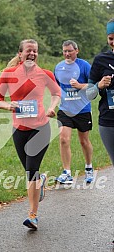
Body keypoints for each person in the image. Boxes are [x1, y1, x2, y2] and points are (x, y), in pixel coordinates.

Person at [0, 39, 61, 230]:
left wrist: (51, 108)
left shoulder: (45, 74)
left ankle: (33, 215)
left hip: (41, 128)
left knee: (31, 172)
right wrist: (8, 105)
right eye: (29, 51)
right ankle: (41, 180)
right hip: (19, 130)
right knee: (31, 173)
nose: (32, 54)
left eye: (35, 51)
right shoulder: (8, 74)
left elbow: (57, 93)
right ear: (20, 53)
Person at [54, 40, 94, 184]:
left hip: (82, 109)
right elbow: (56, 88)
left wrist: (79, 85)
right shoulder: (58, 67)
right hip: (65, 109)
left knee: (84, 141)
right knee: (64, 139)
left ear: (77, 51)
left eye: (70, 51)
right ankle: (67, 173)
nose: (67, 54)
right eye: (64, 51)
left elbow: (93, 86)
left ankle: (89, 167)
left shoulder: (84, 66)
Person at [87, 18, 114, 166]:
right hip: (108, 121)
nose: (113, 42)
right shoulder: (101, 60)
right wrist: (99, 85)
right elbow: (89, 95)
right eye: (111, 38)